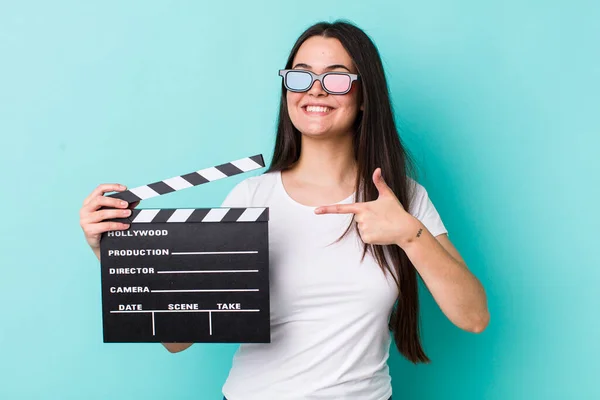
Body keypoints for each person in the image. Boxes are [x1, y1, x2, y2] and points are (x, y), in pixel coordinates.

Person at [79, 20, 489, 400]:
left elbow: (473, 317)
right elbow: (177, 340)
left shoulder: (400, 198)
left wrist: (409, 234)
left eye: (336, 77)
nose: (315, 89)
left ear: (365, 97)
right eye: (302, 75)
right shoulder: (252, 198)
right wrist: (113, 254)